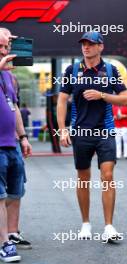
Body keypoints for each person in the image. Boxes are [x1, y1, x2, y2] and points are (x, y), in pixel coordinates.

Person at [57, 31, 127, 242]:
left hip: (105, 130)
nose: (86, 47)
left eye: (91, 44)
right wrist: (63, 129)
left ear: (100, 47)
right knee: (83, 178)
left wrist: (102, 95)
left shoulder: (110, 69)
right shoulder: (72, 70)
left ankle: (109, 227)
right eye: (83, 44)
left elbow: (125, 99)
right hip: (81, 132)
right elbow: (62, 101)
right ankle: (86, 224)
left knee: (107, 176)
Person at [0, 33, 32, 262]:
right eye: (0, 46)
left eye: (7, 46)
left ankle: (11, 232)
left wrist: (23, 137)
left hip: (11, 144)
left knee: (15, 192)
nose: (5, 51)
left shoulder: (10, 78)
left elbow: (14, 109)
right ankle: (4, 244)